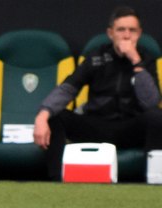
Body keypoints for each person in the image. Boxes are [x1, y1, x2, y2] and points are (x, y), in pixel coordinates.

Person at [33, 6, 162, 181]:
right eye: (121, 30)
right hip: (96, 127)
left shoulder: (146, 60)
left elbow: (151, 101)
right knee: (55, 116)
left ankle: (153, 180)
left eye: (132, 30)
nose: (126, 35)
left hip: (130, 128)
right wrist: (42, 115)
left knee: (156, 117)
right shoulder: (96, 57)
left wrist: (135, 61)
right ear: (110, 33)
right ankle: (58, 180)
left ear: (139, 33)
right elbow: (68, 88)